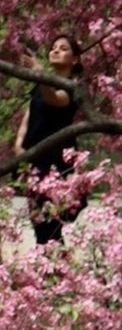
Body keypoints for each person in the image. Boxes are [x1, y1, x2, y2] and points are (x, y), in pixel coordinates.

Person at [13, 35, 84, 247]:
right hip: (33, 162)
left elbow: (55, 99)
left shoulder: (72, 87)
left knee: (51, 226)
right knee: (38, 226)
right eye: (53, 47)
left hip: (55, 166)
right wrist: (18, 146)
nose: (55, 51)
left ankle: (55, 273)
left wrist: (39, 72)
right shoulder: (40, 86)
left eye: (63, 48)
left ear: (75, 60)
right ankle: (49, 274)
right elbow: (28, 118)